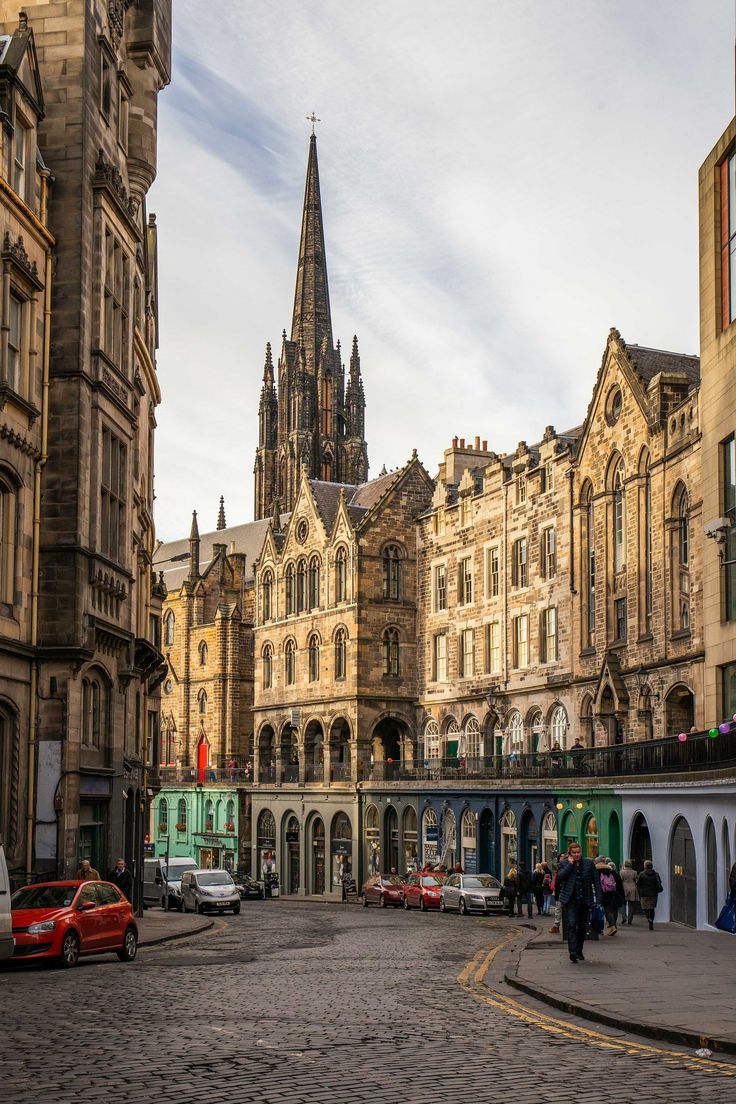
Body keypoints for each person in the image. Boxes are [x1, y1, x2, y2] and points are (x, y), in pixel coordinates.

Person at [556, 842, 599, 963]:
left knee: (581, 928)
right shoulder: (564, 863)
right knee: (571, 924)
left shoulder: (589, 864)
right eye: (574, 853)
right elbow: (560, 877)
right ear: (570, 853)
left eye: (578, 852)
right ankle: (572, 952)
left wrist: (598, 900)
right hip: (570, 901)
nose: (576, 855)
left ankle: (579, 949)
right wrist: (570, 864)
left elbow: (596, 882)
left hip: (585, 900)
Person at [597, 858, 624, 935]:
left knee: (601, 911)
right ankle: (612, 926)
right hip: (611, 894)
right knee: (608, 910)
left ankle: (609, 927)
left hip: (602, 894)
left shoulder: (599, 873)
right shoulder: (610, 873)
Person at [636, 859, 663, 930]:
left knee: (645, 908)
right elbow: (660, 882)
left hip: (644, 894)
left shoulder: (642, 874)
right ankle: (651, 921)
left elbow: (638, 883)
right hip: (654, 894)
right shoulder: (656, 874)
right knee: (652, 908)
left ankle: (648, 918)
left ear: (645, 866)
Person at [619, 859, 639, 924]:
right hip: (632, 887)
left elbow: (620, 880)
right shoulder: (634, 872)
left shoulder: (621, 872)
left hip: (624, 887)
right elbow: (636, 880)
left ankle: (624, 917)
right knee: (631, 904)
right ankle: (630, 919)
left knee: (623, 904)